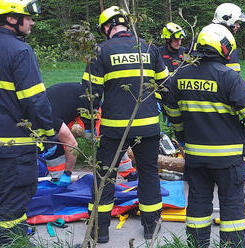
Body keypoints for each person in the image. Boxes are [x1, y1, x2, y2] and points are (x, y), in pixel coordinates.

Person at [163, 23, 245, 248]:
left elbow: (174, 115)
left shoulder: (179, 75)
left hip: (195, 155)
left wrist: (183, 138)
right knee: (232, 202)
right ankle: (232, 245)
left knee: (198, 201)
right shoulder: (229, 77)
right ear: (222, 48)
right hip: (228, 157)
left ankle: (197, 244)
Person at [82, 6, 168, 243]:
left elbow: (90, 93)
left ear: (107, 27)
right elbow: (165, 85)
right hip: (149, 126)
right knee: (149, 173)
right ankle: (151, 227)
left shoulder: (101, 51)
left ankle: (100, 231)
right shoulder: (149, 48)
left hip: (114, 127)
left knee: (106, 175)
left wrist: (90, 125)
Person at [0, 0, 55, 245]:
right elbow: (35, 101)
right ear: (12, 19)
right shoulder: (19, 51)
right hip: (14, 145)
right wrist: (47, 131)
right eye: (28, 17)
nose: (31, 22)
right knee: (12, 205)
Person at [45, 82, 138, 183]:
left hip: (88, 103)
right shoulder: (35, 124)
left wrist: (68, 173)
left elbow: (72, 145)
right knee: (53, 146)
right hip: (64, 108)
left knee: (107, 140)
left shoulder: (47, 120)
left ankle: (129, 173)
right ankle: (57, 178)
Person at [212, 2, 245, 73]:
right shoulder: (228, 41)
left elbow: (186, 59)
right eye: (236, 22)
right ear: (228, 20)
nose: (238, 26)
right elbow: (234, 74)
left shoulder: (201, 35)